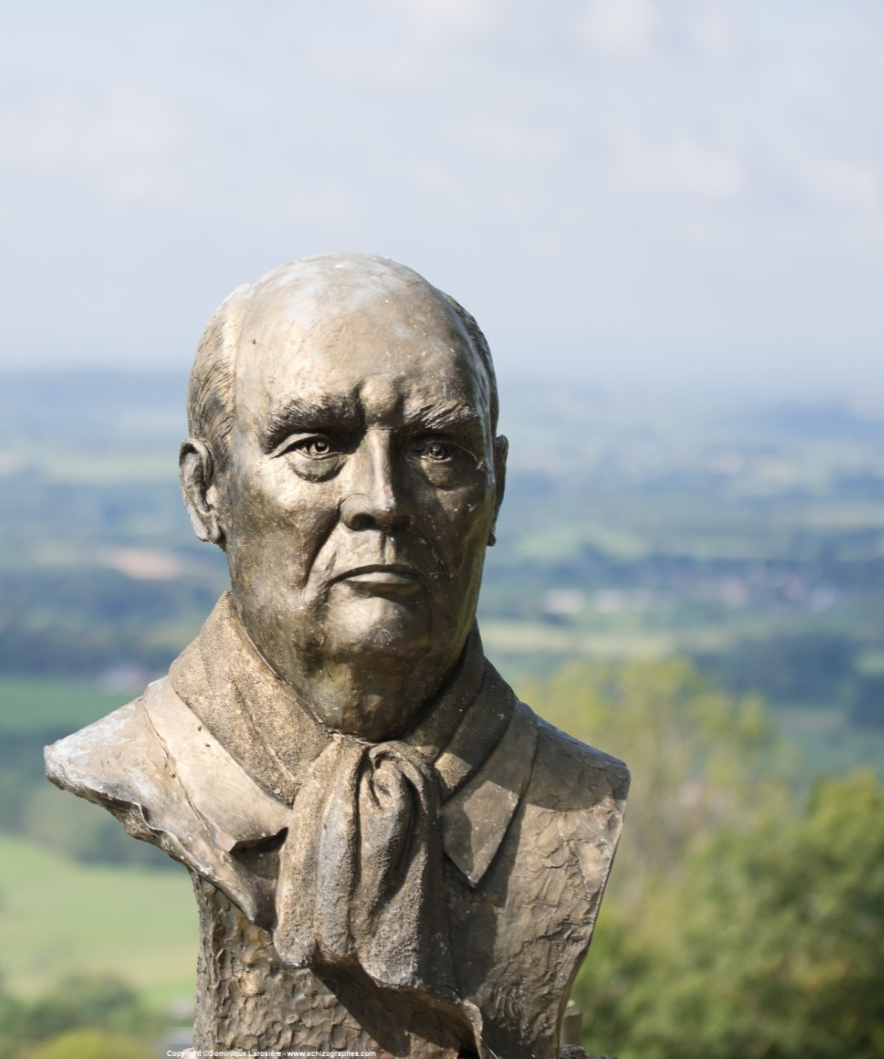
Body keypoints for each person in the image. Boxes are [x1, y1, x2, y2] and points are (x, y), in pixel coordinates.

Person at [46, 254, 629, 1059]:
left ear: (495, 490)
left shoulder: (576, 796)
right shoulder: (135, 762)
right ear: (206, 492)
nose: (381, 500)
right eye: (317, 445)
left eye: (437, 450)